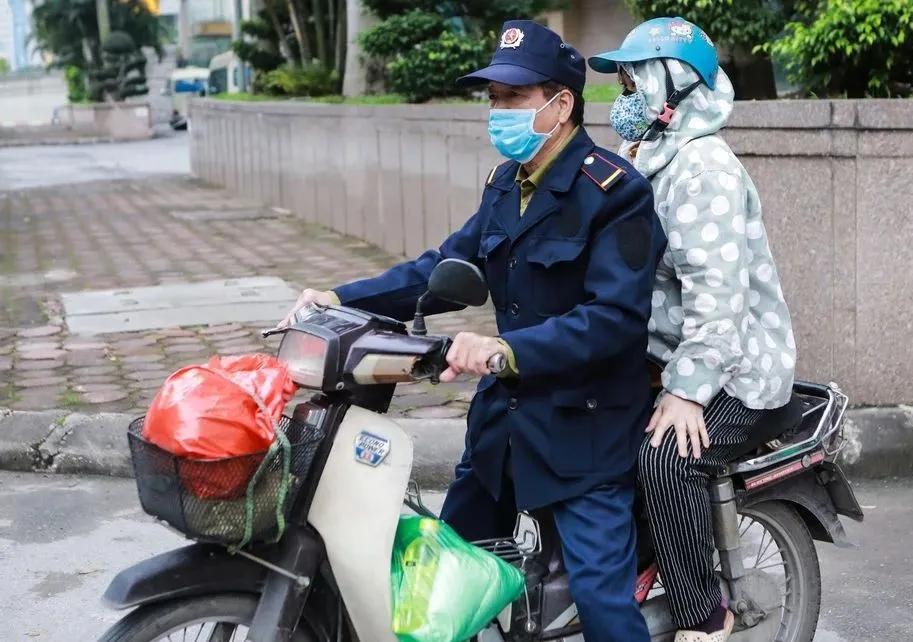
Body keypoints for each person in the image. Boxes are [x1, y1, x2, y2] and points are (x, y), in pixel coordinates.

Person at [279, 20, 663, 642]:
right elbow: (439, 268)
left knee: (600, 601)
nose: (497, 111)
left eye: (513, 98)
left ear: (560, 104)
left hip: (583, 432)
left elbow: (615, 321)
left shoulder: (614, 193)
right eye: (492, 99)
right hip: (504, 427)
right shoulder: (506, 185)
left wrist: (505, 348)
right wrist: (337, 298)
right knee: (442, 574)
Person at [588, 17, 796, 642]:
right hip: (671, 356)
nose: (622, 98)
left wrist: (686, 392)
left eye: (631, 83)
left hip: (734, 370)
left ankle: (705, 614)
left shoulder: (703, 170)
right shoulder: (651, 154)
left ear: (671, 87)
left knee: (667, 456)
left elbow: (718, 298)